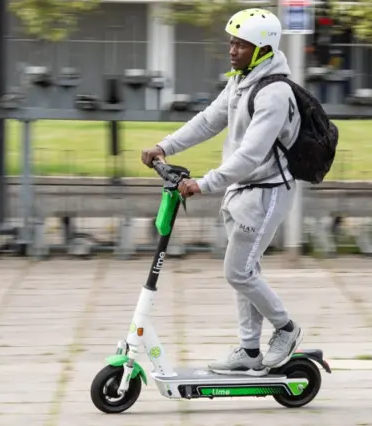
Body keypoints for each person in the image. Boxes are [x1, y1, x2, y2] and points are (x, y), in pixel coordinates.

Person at [141, 8, 302, 376]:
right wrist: (165, 146)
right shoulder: (242, 81)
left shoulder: (274, 93)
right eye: (231, 41)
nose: (232, 49)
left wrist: (205, 183)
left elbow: (251, 154)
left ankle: (287, 329)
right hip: (243, 190)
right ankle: (249, 350)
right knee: (245, 270)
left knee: (239, 272)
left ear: (262, 49)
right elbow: (209, 120)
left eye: (240, 44)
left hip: (267, 191)